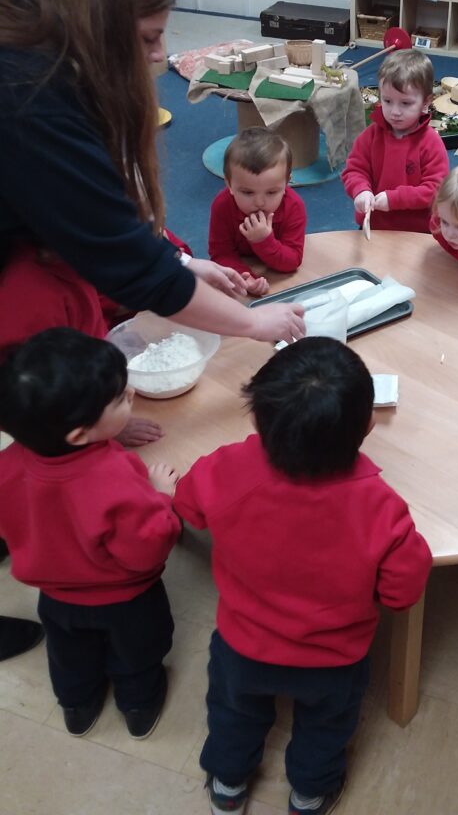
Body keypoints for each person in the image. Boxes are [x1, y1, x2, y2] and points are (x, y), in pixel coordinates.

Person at [0, 0, 305, 359]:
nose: (161, 53)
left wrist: (182, 263)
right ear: (100, 28)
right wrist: (254, 322)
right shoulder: (32, 98)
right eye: (147, 38)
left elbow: (107, 221)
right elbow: (120, 253)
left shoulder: (46, 52)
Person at [173, 336, 432, 815]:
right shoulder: (383, 509)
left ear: (256, 418)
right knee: (326, 728)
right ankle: (309, 795)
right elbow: (403, 590)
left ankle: (228, 787)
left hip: (242, 645)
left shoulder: (227, 469)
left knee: (233, 714)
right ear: (369, 425)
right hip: (334, 659)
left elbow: (187, 504)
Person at [0, 328, 181, 739]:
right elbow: (146, 549)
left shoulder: (6, 467)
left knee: (69, 656)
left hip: (56, 597)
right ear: (79, 435)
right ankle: (138, 705)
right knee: (138, 654)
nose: (131, 394)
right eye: (119, 399)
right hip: (126, 599)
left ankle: (77, 707)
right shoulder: (114, 476)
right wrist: (161, 498)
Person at [341, 50, 449, 232]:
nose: (395, 111)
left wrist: (395, 199)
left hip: (416, 232)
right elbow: (354, 170)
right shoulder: (370, 136)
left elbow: (435, 190)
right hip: (375, 227)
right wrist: (361, 190)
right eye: (387, 101)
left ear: (425, 102)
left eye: (406, 103)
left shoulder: (431, 143)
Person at [208, 128, 307, 297]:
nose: (260, 203)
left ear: (287, 183)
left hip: (280, 282)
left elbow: (292, 261)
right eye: (247, 192)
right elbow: (221, 253)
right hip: (242, 271)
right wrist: (244, 278)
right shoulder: (222, 205)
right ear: (229, 184)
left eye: (271, 192)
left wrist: (264, 241)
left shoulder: (294, 206)